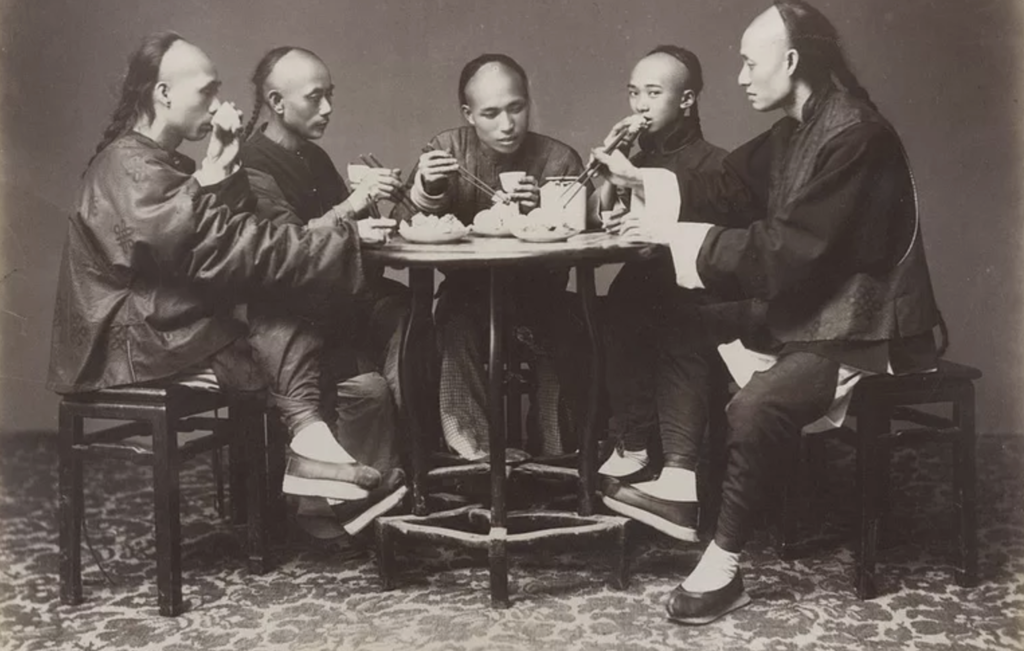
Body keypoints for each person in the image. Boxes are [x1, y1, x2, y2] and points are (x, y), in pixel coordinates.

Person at [592, 0, 943, 624]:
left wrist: (675, 236)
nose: (742, 77)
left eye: (751, 64)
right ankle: (677, 481)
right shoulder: (797, 127)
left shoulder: (858, 135)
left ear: (791, 60)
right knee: (670, 312)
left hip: (863, 327)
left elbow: (785, 255)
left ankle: (724, 565)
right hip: (811, 309)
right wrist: (637, 179)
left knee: (756, 405)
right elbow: (725, 185)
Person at [48, 32, 394, 507]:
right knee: (267, 296)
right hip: (121, 338)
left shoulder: (155, 161)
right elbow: (224, 249)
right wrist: (344, 238)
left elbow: (221, 235)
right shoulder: (130, 168)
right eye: (206, 91)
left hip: (155, 319)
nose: (218, 104)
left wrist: (222, 167)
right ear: (163, 94)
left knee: (274, 298)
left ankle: (316, 462)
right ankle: (312, 453)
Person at [238, 47, 411, 532]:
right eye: (315, 98)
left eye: (329, 96)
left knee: (406, 311)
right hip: (286, 317)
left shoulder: (313, 156)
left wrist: (370, 216)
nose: (328, 108)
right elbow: (288, 250)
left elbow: (346, 238)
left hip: (331, 305)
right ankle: (342, 500)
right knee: (369, 384)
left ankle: (407, 459)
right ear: (276, 101)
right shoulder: (251, 165)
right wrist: (356, 207)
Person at [392, 54, 586, 461]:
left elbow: (575, 248)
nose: (507, 125)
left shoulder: (559, 159)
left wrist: (544, 212)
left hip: (542, 298)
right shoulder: (446, 149)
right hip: (467, 296)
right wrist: (428, 187)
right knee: (454, 332)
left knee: (567, 337)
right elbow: (400, 229)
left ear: (529, 101)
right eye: (491, 113)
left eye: (516, 108)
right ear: (468, 114)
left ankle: (554, 454)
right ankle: (473, 453)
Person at [596, 46, 741, 544]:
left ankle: (679, 471)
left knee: (675, 319)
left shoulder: (717, 165)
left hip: (697, 294)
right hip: (643, 289)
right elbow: (605, 214)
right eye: (634, 92)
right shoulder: (639, 156)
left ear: (687, 100)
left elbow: (715, 251)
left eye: (654, 93)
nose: (640, 104)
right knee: (616, 307)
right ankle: (634, 441)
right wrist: (610, 184)